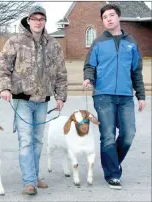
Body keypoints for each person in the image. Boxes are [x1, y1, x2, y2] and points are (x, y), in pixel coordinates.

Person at [0, 6, 67, 195]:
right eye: (34, 18)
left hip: (42, 99)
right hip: (22, 99)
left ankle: (34, 176)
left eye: (41, 18)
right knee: (26, 140)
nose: (37, 22)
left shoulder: (53, 44)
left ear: (45, 21)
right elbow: (3, 65)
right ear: (28, 20)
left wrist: (60, 96)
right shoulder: (15, 41)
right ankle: (29, 182)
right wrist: (4, 87)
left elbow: (60, 72)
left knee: (37, 140)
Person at [83, 4, 146, 190]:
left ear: (119, 17)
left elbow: (136, 71)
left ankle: (111, 163)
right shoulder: (98, 43)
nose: (109, 19)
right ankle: (112, 174)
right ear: (103, 21)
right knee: (108, 135)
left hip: (126, 96)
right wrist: (88, 78)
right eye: (105, 17)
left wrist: (141, 95)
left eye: (112, 15)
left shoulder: (131, 42)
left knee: (128, 134)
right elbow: (89, 66)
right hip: (103, 95)